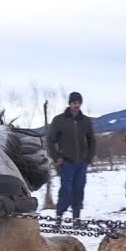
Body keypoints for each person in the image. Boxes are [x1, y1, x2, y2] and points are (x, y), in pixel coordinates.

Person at [47, 91, 95, 221]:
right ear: (70, 103)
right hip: (66, 162)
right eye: (74, 103)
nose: (77, 105)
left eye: (79, 103)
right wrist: (57, 158)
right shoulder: (59, 120)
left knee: (79, 190)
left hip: (81, 163)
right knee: (66, 191)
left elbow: (92, 141)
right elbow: (50, 141)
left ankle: (76, 218)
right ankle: (59, 216)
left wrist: (88, 159)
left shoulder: (85, 121)